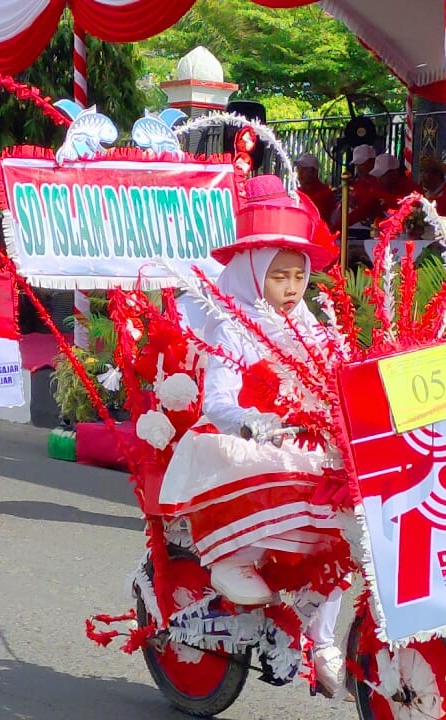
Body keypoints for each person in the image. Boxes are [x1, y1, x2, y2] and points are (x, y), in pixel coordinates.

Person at [159, 174, 344, 694]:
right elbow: (218, 402)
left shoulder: (314, 329)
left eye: (299, 276)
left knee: (345, 528)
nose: (291, 288)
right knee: (290, 479)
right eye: (279, 276)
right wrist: (249, 420)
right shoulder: (235, 328)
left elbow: (342, 378)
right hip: (245, 443)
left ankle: (322, 637)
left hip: (305, 440)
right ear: (253, 274)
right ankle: (230, 560)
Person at [294, 153, 336, 224]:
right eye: (298, 169)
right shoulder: (297, 192)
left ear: (314, 172)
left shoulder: (325, 193)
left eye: (304, 169)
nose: (300, 172)